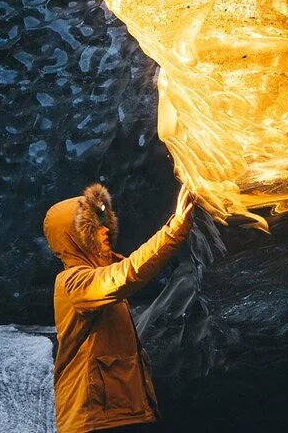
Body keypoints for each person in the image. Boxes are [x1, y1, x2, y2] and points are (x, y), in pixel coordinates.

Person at [43, 182, 194, 433]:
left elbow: (130, 268)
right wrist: (173, 230)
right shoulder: (72, 283)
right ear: (73, 237)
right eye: (92, 226)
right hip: (93, 420)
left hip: (116, 415)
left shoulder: (102, 274)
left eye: (105, 222)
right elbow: (128, 274)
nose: (104, 229)